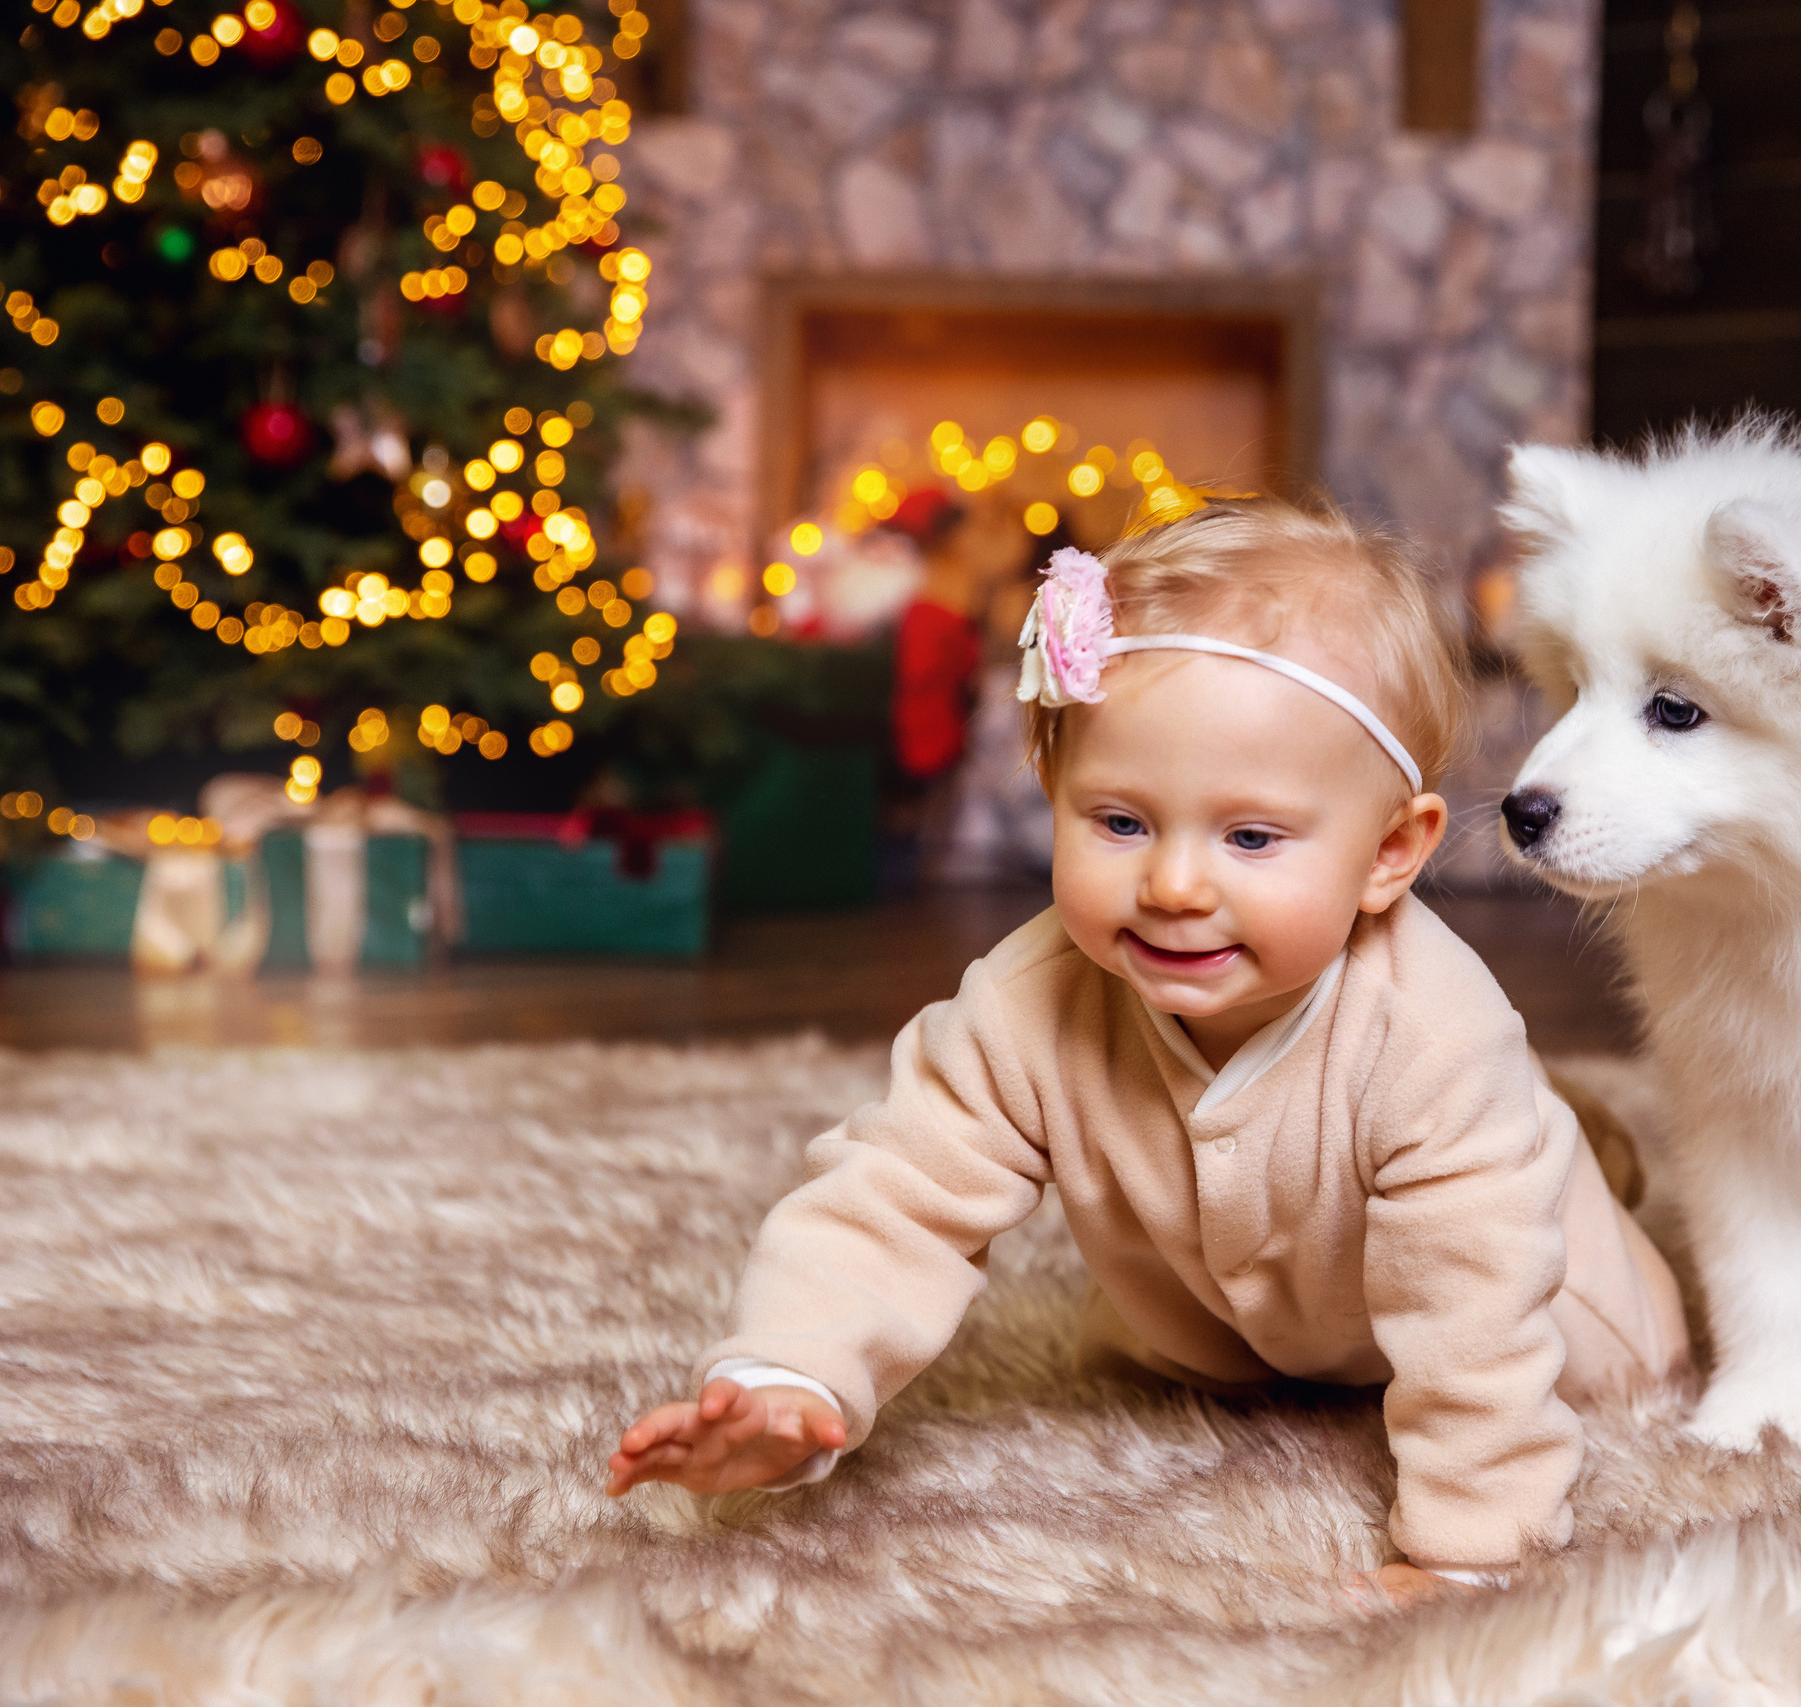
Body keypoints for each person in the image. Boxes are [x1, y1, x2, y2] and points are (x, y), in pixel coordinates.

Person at [608, 499, 1689, 1607]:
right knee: (1159, 1352)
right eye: (1120, 822)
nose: (1173, 886)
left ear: (1388, 854)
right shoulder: (1030, 1004)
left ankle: (1563, 1139)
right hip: (1236, 1334)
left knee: (1568, 1311)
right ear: (1055, 797)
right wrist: (790, 1372)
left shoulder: (1433, 1034)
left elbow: (1477, 1317)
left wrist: (1473, 1549)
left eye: (1251, 837)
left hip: (1549, 1295)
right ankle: (1530, 1129)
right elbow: (894, 1195)